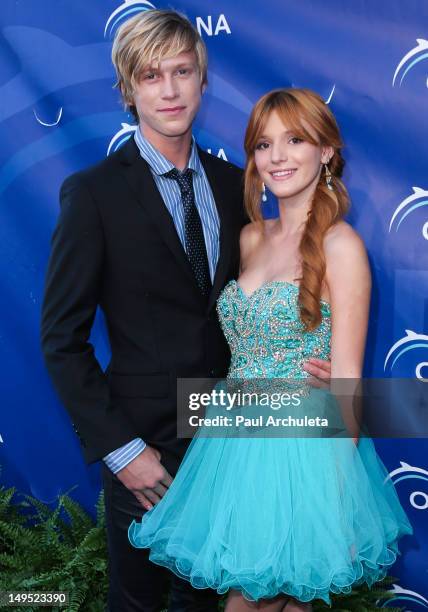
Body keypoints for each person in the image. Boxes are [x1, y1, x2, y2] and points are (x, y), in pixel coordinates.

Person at [40, 9, 332, 612]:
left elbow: (268, 298)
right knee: (141, 602)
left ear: (204, 79)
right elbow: (61, 341)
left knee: (219, 603)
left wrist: (319, 367)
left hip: (236, 440)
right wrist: (124, 452)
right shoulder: (93, 194)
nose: (169, 90)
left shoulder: (240, 187)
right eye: (151, 76)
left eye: (182, 72)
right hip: (146, 447)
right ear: (128, 90)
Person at [128, 88, 413, 612]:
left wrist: (332, 494)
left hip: (300, 448)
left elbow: (346, 377)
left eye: (295, 139)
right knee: (267, 600)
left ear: (326, 152)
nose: (277, 156)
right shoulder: (250, 239)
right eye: (263, 144)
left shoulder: (340, 246)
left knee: (260, 601)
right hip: (233, 438)